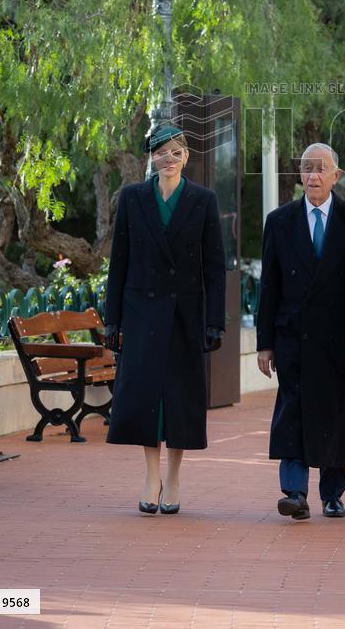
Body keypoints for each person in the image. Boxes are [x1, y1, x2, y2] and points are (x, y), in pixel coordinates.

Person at [104, 122, 226, 514]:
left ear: (186, 157)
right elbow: (119, 262)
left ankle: (173, 477)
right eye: (161, 152)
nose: (168, 159)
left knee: (179, 397)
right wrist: (112, 319)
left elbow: (214, 268)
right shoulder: (132, 198)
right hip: (141, 314)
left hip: (185, 315)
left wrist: (214, 322)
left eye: (176, 152)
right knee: (146, 396)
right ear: (151, 157)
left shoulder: (204, 200)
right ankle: (151, 476)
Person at [257, 143, 345, 521]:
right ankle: (294, 491)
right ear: (299, 175)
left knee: (337, 413)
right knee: (293, 410)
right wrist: (264, 344)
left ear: (336, 176)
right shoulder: (280, 221)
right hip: (294, 336)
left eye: (321, 168)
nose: (313, 175)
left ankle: (332, 493)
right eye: (307, 168)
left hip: (342, 339)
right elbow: (269, 286)